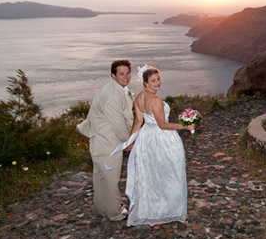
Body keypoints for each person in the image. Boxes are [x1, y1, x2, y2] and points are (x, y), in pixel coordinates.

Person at [125, 65, 194, 226]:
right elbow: (162, 125)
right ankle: (169, 210)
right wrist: (185, 126)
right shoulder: (155, 100)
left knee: (151, 175)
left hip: (145, 138)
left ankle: (150, 210)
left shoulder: (138, 98)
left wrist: (131, 141)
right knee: (170, 173)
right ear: (146, 83)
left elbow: (138, 122)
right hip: (161, 140)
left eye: (158, 79)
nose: (157, 83)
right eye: (153, 81)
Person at [77, 60, 134, 222]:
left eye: (128, 73)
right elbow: (118, 124)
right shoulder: (112, 96)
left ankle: (102, 209)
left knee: (101, 178)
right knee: (111, 180)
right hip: (108, 144)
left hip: (100, 142)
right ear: (113, 75)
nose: (126, 77)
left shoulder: (114, 89)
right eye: (121, 74)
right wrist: (128, 142)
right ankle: (115, 212)